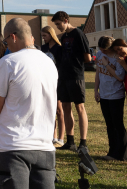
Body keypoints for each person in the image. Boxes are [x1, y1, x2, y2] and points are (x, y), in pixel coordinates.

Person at [0, 17, 58, 189]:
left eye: (6, 41)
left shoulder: (9, 62)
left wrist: (1, 118)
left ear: (13, 37)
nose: (6, 46)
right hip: (44, 146)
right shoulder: (49, 62)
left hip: (13, 146)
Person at [50, 11, 91, 153]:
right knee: (66, 107)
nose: (57, 27)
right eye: (55, 25)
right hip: (63, 76)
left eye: (58, 24)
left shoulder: (78, 33)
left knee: (80, 108)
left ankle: (83, 142)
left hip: (76, 75)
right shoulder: (64, 36)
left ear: (66, 20)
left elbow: (88, 57)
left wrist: (75, 61)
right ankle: (70, 141)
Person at [93, 36, 127, 162]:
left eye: (105, 50)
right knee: (109, 125)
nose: (103, 52)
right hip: (104, 94)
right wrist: (96, 90)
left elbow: (119, 77)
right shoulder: (99, 54)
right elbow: (98, 72)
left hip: (116, 94)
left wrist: (107, 64)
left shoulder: (117, 58)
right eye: (101, 50)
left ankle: (122, 154)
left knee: (117, 124)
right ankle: (112, 152)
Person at [39, 25, 64, 148]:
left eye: (45, 35)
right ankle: (52, 136)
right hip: (45, 82)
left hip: (57, 82)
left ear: (51, 34)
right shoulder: (43, 48)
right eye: (42, 36)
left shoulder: (59, 49)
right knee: (50, 109)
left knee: (59, 110)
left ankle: (61, 137)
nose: (43, 38)